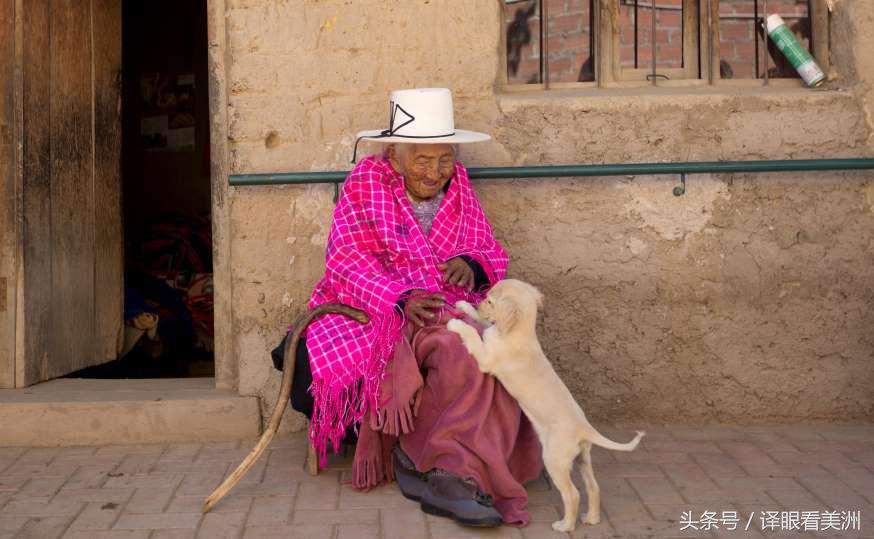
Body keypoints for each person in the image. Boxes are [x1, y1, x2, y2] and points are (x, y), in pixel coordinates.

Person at [293, 88, 543, 527]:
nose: (435, 172)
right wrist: (400, 299)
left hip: (444, 303)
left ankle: (467, 463)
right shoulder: (365, 184)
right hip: (377, 307)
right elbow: (345, 261)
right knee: (456, 349)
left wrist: (471, 264)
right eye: (422, 161)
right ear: (396, 155)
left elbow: (488, 247)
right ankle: (442, 466)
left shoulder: (459, 184)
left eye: (443, 159)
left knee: (496, 345)